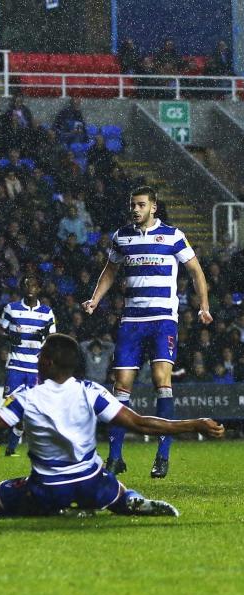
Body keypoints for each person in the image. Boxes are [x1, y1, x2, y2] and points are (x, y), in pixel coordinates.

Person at [0, 334, 225, 518]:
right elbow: (141, 424)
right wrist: (194, 423)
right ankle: (124, 499)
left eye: (40, 356)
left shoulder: (27, 397)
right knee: (107, 485)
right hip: (92, 480)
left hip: (48, 487)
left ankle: (55, 507)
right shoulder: (90, 392)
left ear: (46, 363)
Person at [82, 185, 212, 478]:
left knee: (160, 380)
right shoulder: (122, 237)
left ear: (154, 207)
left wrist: (203, 305)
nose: (135, 209)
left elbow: (195, 271)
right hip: (132, 321)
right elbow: (110, 271)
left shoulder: (174, 236)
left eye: (141, 205)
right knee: (122, 385)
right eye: (133, 205)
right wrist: (95, 298)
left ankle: (162, 455)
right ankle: (115, 457)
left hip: (163, 318)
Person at [0, 274, 55, 457]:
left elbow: (53, 338)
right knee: (10, 404)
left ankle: (10, 448)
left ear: (39, 289)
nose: (30, 288)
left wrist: (44, 336)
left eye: (33, 285)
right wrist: (8, 337)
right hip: (16, 365)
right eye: (27, 285)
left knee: (29, 410)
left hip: (36, 368)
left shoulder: (46, 312)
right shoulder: (12, 309)